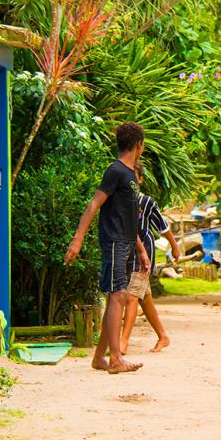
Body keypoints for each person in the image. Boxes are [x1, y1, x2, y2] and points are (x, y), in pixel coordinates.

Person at [65, 122, 150, 374]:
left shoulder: (131, 176)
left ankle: (100, 357)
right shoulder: (116, 171)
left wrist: (141, 249)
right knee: (118, 295)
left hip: (125, 242)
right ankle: (115, 359)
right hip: (113, 241)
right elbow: (94, 205)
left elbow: (130, 218)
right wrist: (77, 239)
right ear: (138, 145)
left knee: (117, 296)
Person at [121, 161, 182, 354]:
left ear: (140, 179)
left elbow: (163, 228)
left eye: (134, 176)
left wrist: (174, 247)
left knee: (131, 297)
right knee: (144, 298)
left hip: (143, 255)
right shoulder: (119, 201)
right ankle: (163, 336)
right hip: (125, 254)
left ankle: (123, 343)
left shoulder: (146, 202)